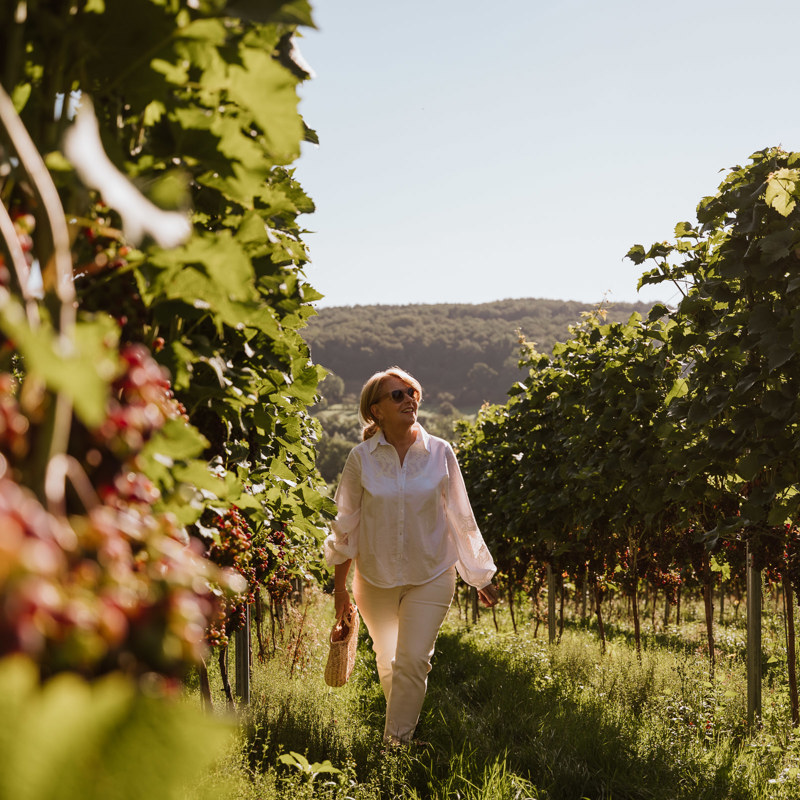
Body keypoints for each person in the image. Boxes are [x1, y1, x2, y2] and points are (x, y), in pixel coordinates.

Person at [324, 366, 499, 746]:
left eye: (412, 392)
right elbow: (345, 526)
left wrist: (480, 575)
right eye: (397, 395)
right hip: (374, 579)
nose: (408, 399)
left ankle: (394, 746)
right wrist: (340, 589)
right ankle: (402, 735)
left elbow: (460, 515)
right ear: (376, 410)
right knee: (388, 660)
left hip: (432, 574)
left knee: (413, 661)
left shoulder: (440, 452)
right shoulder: (360, 459)